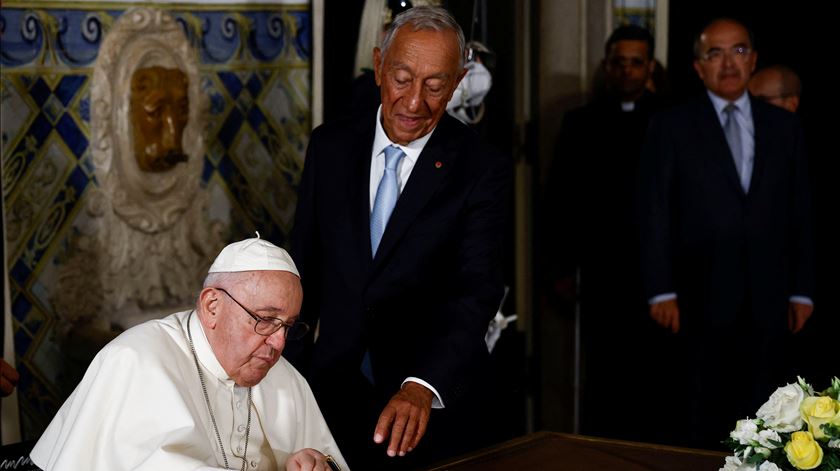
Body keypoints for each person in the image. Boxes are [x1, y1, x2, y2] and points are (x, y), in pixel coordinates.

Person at [289, 5, 511, 468]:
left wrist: (422, 385)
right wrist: (285, 376)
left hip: (427, 402)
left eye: (435, 86)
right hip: (330, 392)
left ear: (457, 82)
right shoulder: (329, 147)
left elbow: (478, 289)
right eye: (403, 78)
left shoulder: (480, 167)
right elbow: (303, 268)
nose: (414, 103)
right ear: (378, 67)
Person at [639, 18, 814, 449]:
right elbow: (653, 210)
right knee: (700, 416)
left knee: (770, 415)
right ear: (699, 67)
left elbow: (802, 212)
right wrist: (660, 289)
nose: (728, 62)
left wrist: (802, 290)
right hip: (697, 296)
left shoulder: (785, 127)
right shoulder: (671, 126)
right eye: (714, 53)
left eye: (737, 51)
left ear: (753, 60)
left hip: (770, 298)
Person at [30, 236, 348, 471]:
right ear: (212, 306)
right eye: (265, 320)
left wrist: (312, 463)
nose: (279, 343)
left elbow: (330, 461)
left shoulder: (285, 378)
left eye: (288, 326)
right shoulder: (137, 359)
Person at [542, 25, 667, 442]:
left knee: (656, 376)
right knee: (602, 373)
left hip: (660, 276)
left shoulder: (672, 121)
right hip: (601, 270)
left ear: (649, 67)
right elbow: (560, 199)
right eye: (619, 62)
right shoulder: (581, 123)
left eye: (637, 62)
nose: (628, 71)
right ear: (606, 66)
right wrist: (560, 266)